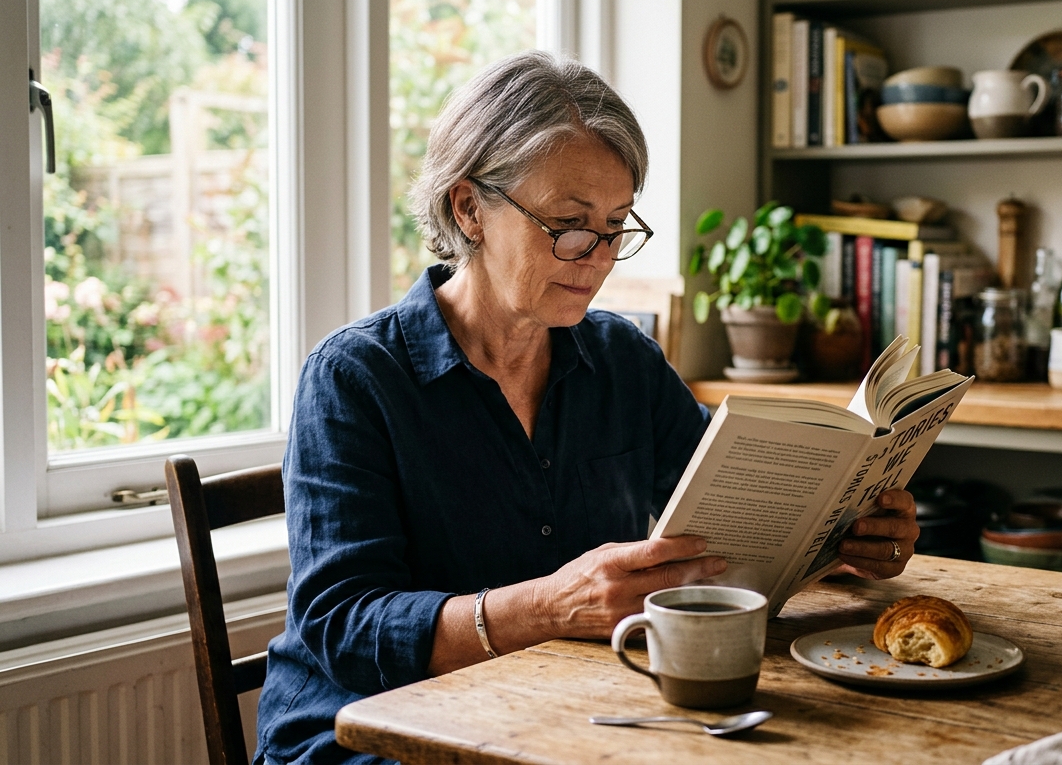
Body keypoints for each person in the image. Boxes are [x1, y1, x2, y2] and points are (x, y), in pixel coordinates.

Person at [254, 51, 920, 764]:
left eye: (615, 226)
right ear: (469, 207)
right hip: (361, 732)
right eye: (569, 225)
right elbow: (343, 625)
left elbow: (730, 509)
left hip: (558, 713)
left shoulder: (623, 359)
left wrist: (839, 535)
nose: (597, 257)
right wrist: (547, 606)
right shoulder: (355, 377)